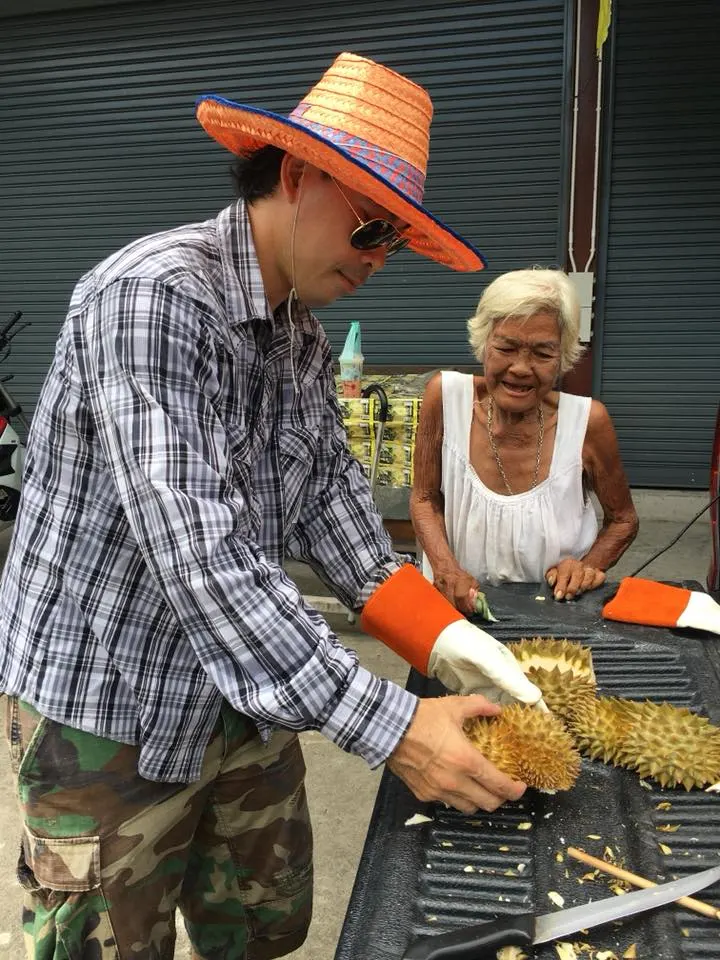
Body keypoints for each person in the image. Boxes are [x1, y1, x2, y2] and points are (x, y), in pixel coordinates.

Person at [0, 54, 545, 960]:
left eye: (394, 241)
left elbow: (332, 503)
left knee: (264, 925)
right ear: (295, 175)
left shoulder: (300, 338)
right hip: (111, 700)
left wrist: (445, 640)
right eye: (371, 226)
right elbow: (202, 556)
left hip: (244, 689)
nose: (377, 258)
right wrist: (395, 728)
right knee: (106, 945)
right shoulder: (152, 299)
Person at [411, 268, 639, 615]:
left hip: (556, 616)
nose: (520, 368)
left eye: (542, 354)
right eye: (506, 347)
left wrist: (586, 567)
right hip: (455, 610)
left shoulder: (587, 423)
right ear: (484, 343)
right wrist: (445, 568)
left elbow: (623, 520)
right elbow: (424, 498)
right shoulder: (444, 398)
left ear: (562, 357)